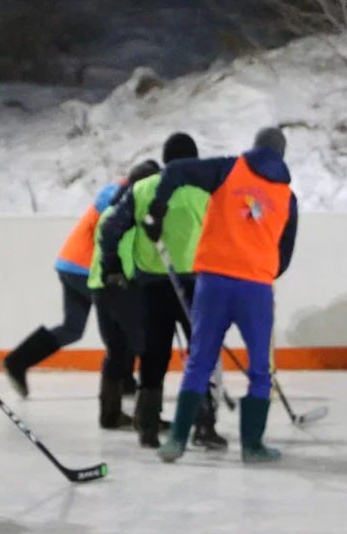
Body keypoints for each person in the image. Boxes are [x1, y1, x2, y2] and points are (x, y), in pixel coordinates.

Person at [149, 126, 297, 464]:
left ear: (255, 146)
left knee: (200, 362)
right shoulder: (288, 197)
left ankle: (176, 441)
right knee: (260, 369)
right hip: (256, 289)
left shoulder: (228, 169)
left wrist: (157, 210)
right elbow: (285, 251)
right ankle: (252, 446)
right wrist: (263, 270)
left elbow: (175, 170)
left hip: (213, 282)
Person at [99, 132, 226, 450]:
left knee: (154, 355)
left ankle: (148, 427)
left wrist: (112, 266)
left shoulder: (142, 188)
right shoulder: (207, 191)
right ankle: (203, 424)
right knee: (200, 356)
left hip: (151, 286)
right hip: (196, 285)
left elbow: (110, 228)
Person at [1, 170, 129, 399]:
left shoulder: (117, 194)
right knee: (122, 321)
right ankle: (123, 379)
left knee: (72, 329)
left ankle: (17, 361)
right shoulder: (120, 198)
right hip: (86, 269)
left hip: (70, 264)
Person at [88, 158, 161, 429]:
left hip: (100, 286)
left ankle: (110, 414)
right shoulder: (129, 214)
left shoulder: (111, 210)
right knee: (146, 348)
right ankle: (146, 417)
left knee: (117, 351)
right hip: (121, 286)